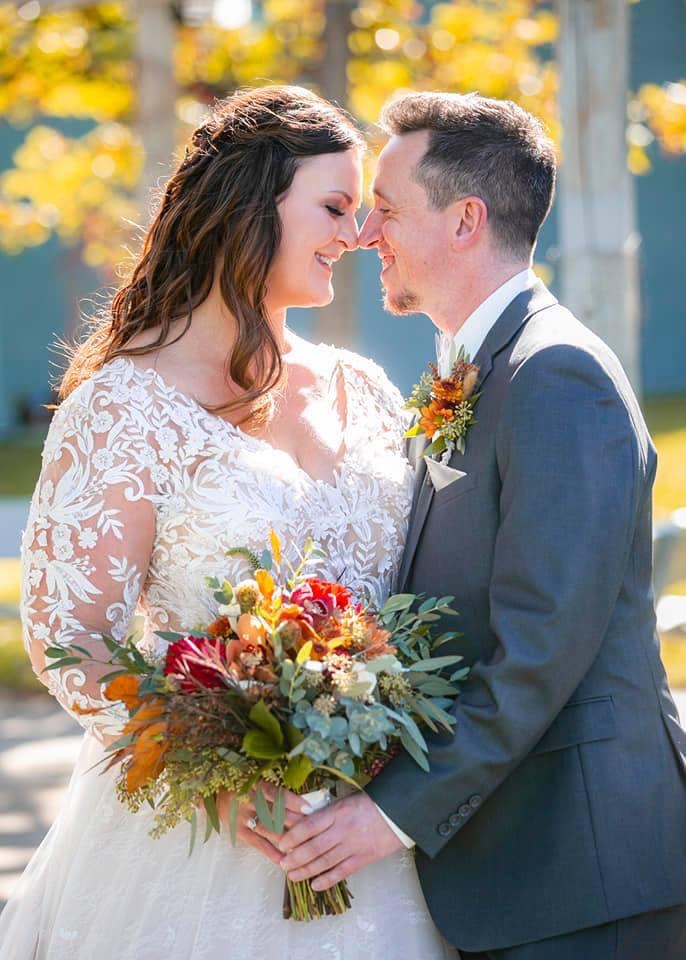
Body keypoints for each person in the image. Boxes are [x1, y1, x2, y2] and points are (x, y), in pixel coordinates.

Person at [0, 86, 456, 959]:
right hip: (193, 842)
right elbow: (73, 635)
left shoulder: (361, 388)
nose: (356, 235)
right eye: (334, 207)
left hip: (373, 821)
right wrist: (215, 777)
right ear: (248, 205)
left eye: (362, 212)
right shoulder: (122, 408)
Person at [278, 92, 686, 959]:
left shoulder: (555, 373)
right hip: (516, 867)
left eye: (385, 210)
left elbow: (541, 648)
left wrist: (392, 815)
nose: (363, 235)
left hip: (582, 873)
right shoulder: (481, 365)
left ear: (465, 220)